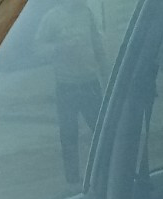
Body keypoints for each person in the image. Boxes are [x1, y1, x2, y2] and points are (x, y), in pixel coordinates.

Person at [36, 0, 107, 184]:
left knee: (102, 131)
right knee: (68, 136)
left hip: (90, 83)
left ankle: (106, 172)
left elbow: (98, 45)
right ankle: (73, 180)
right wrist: (60, 47)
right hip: (66, 86)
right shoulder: (51, 18)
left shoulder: (87, 14)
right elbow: (38, 49)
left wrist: (107, 77)